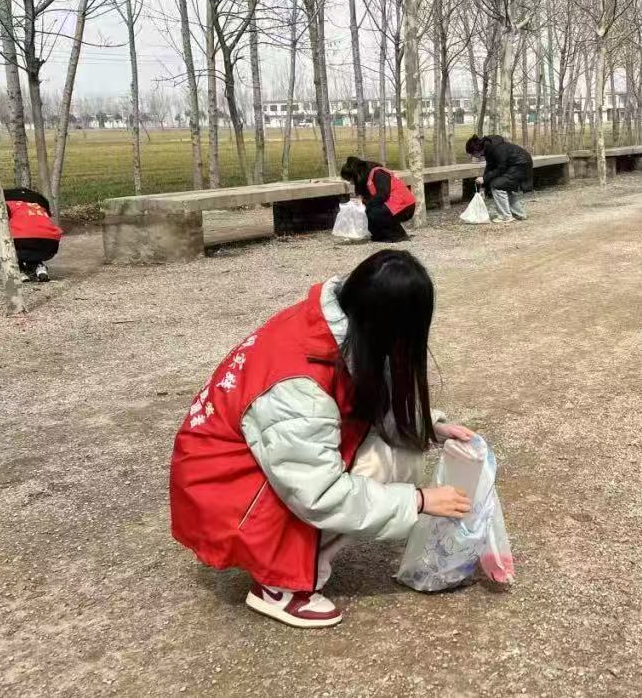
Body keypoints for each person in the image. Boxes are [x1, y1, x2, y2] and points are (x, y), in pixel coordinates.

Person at [169, 250, 475, 629]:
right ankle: (278, 585)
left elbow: (363, 393)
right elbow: (319, 493)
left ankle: (290, 556)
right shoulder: (299, 386)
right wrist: (419, 500)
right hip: (226, 497)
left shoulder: (334, 321)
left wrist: (429, 427)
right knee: (385, 468)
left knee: (403, 452)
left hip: (250, 469)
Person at [0, 187, 62, 282]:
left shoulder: (5, 203)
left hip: (22, 246)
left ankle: (19, 270)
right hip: (50, 248)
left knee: (18, 245)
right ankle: (39, 267)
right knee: (31, 247)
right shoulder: (39, 202)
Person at [339, 156, 416, 242]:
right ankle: (380, 236)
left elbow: (382, 195)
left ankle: (398, 235)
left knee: (374, 212)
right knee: (366, 211)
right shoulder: (364, 178)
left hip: (405, 206)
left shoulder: (378, 173)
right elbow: (364, 197)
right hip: (392, 205)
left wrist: (367, 204)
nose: (351, 182)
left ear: (356, 174)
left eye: (350, 179)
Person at [466, 134, 533, 223]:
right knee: (504, 185)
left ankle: (505, 216)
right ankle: (519, 213)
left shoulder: (497, 149)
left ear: (476, 150)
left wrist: (485, 179)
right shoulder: (489, 149)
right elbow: (490, 167)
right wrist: (484, 183)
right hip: (517, 164)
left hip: (520, 165)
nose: (473, 156)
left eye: (472, 154)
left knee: (497, 185)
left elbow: (501, 168)